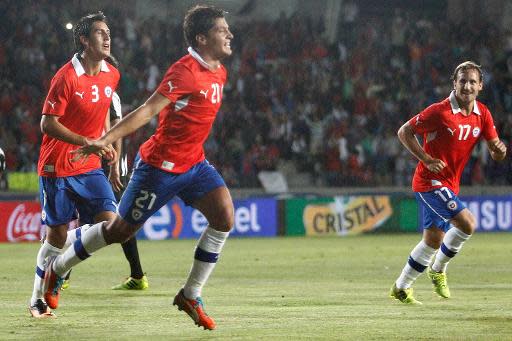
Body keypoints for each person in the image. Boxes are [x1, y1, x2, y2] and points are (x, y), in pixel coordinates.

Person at [44, 5, 234, 330]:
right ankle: (58, 267)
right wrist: (105, 139)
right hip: (158, 168)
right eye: (221, 30)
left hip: (195, 164)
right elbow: (146, 111)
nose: (229, 34)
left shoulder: (219, 70)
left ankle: (191, 294)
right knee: (120, 231)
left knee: (224, 218)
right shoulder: (184, 72)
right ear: (202, 38)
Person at [389, 61, 507, 304]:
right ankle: (438, 270)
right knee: (467, 224)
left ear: (481, 86)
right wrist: (426, 158)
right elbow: (404, 132)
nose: (467, 86)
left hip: (449, 185)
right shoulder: (439, 112)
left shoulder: (482, 114)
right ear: (454, 83)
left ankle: (401, 287)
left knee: (433, 241)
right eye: (462, 81)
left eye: (472, 81)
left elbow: (496, 153)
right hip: (429, 182)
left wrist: (499, 150)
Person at [29, 12, 120, 318]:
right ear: (84, 40)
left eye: (108, 33)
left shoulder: (112, 74)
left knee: (113, 224)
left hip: (89, 165)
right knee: (55, 237)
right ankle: (36, 300)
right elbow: (47, 124)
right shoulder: (66, 76)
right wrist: (87, 141)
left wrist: (105, 143)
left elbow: (104, 110)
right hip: (57, 165)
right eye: (100, 33)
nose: (107, 38)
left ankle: (58, 270)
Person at [61, 55, 149, 291]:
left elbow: (117, 130)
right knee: (91, 219)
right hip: (93, 162)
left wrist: (114, 167)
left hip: (110, 163)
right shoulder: (90, 89)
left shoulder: (111, 94)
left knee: (118, 220)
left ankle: (64, 274)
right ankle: (64, 273)